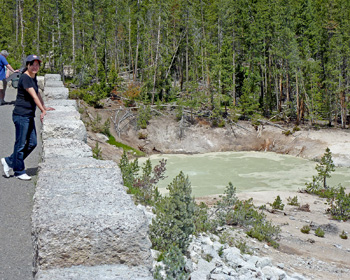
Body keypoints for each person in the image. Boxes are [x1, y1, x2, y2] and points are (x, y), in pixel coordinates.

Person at [1, 54, 54, 180]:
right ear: (28, 65)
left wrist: (44, 107)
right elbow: (33, 96)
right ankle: (19, 171)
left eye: (37, 64)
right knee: (20, 144)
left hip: (28, 115)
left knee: (32, 143)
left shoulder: (32, 76)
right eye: (32, 64)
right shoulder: (25, 77)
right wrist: (42, 110)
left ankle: (9, 161)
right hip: (21, 115)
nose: (35, 67)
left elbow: (37, 93)